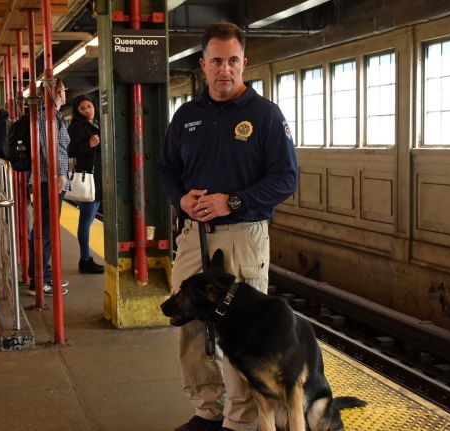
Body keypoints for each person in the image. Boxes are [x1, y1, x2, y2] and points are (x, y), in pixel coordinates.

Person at [159, 23, 298, 431]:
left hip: (243, 234)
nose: (225, 69)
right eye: (217, 61)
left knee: (244, 332)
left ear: (244, 63)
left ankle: (241, 420)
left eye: (233, 61)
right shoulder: (187, 116)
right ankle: (208, 412)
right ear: (203, 65)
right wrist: (180, 199)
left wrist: (231, 201)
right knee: (188, 324)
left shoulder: (265, 115)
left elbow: (286, 179)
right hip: (194, 236)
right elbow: (168, 168)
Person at [28, 78, 70, 296]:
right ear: (58, 92)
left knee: (45, 229)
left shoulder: (53, 115)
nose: (65, 93)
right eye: (63, 89)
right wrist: (60, 175)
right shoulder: (48, 115)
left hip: (48, 180)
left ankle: (41, 273)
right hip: (49, 181)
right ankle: (38, 280)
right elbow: (50, 148)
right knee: (45, 230)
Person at [68, 95, 104, 274]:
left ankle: (86, 258)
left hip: (98, 178)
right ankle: (85, 259)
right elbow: (70, 151)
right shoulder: (76, 126)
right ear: (77, 111)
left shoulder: (96, 123)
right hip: (88, 177)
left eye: (89, 106)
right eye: (82, 108)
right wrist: (89, 144)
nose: (87, 110)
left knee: (89, 219)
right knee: (86, 220)